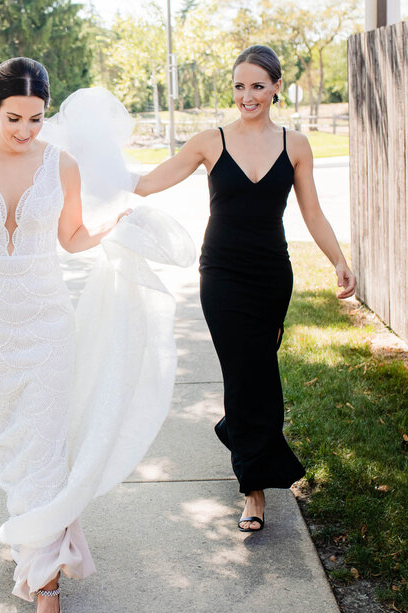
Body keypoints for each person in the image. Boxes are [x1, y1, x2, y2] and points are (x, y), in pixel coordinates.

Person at [0, 57, 187, 613]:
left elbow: (72, 238)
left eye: (35, 118)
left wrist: (118, 229)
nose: (25, 130)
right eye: (13, 118)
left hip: (46, 320)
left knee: (46, 444)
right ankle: (42, 542)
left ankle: (47, 580)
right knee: (14, 450)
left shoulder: (65, 165)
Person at [133, 45, 357, 533]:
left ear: (276, 86)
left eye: (257, 85)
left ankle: (235, 432)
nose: (246, 95)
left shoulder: (295, 144)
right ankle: (253, 491)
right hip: (222, 275)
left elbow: (312, 212)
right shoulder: (209, 142)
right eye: (239, 86)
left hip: (272, 274)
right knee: (244, 374)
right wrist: (102, 182)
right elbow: (151, 181)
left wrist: (339, 259)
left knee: (258, 369)